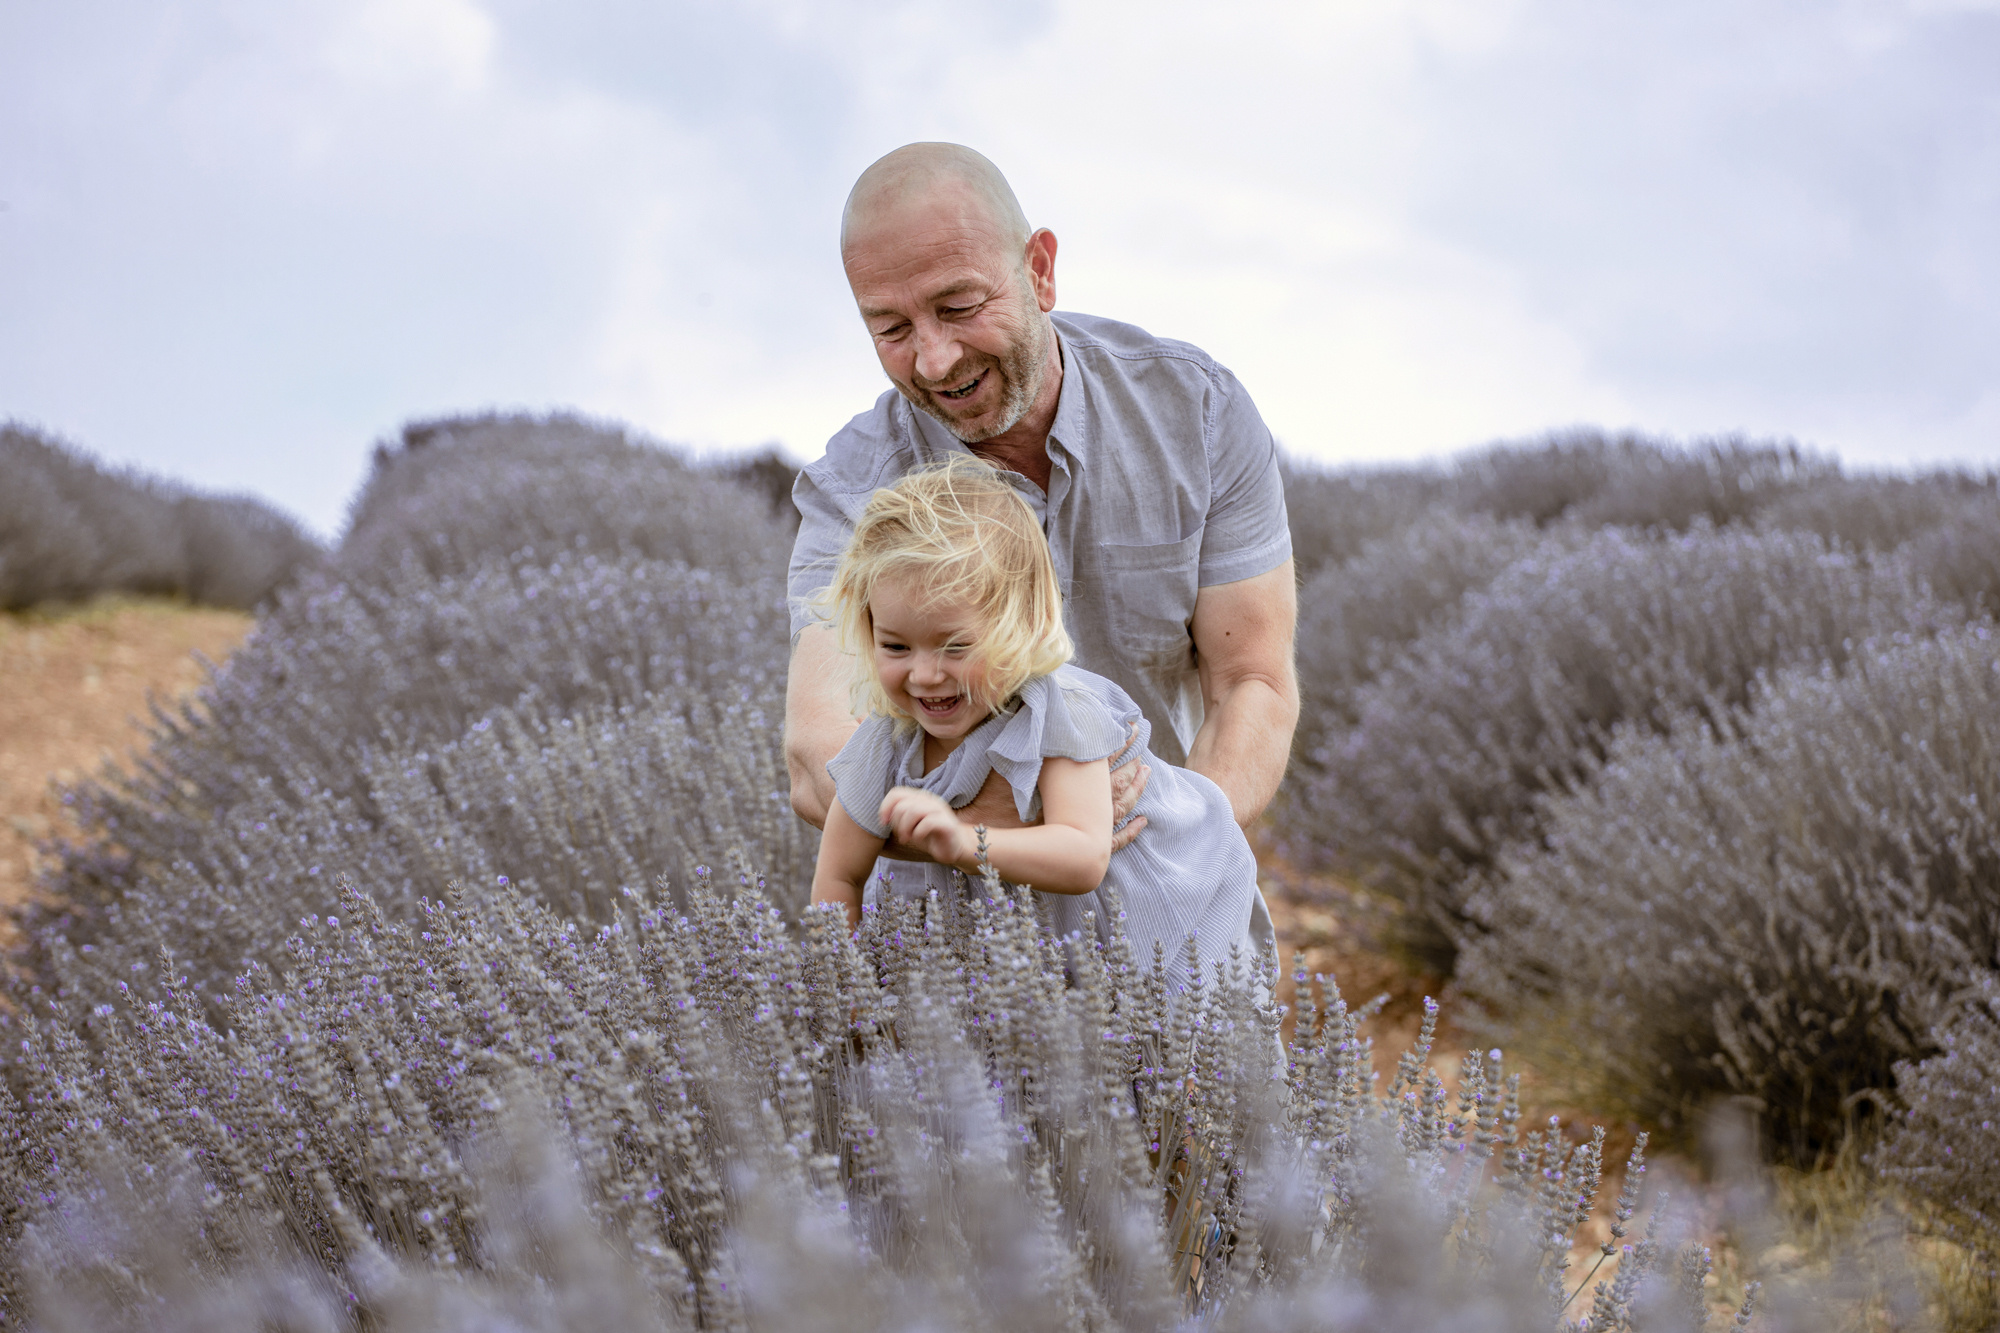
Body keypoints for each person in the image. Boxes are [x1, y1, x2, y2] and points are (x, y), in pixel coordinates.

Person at [786, 141, 1298, 901]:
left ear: (1041, 270)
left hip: (1165, 884)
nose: (933, 359)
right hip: (952, 932)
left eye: (959, 306)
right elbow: (817, 760)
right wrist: (1014, 836)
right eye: (891, 329)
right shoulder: (851, 489)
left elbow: (1252, 681)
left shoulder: (1197, 412)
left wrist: (1172, 846)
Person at [809, 458, 1274, 986]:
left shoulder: (1058, 712)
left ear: (1022, 625)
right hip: (1008, 961)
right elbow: (839, 871)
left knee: (1160, 1048)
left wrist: (965, 844)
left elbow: (1083, 857)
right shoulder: (887, 737)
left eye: (955, 645)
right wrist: (841, 984)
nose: (924, 674)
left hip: (1131, 927)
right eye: (895, 646)